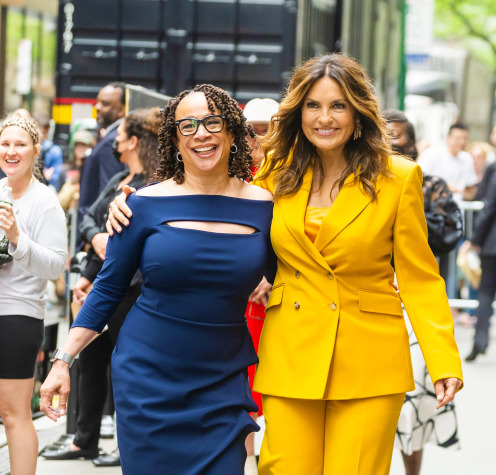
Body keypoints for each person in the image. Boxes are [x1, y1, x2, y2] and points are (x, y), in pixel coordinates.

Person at [105, 55, 463, 475]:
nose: (324, 118)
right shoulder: (274, 174)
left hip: (371, 359)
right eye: (313, 105)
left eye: (338, 105)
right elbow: (211, 194)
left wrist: (443, 360)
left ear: (358, 112)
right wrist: (132, 201)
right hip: (292, 352)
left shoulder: (398, 178)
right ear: (297, 111)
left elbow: (420, 278)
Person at [40, 84, 274, 474]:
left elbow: (291, 279)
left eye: (213, 122)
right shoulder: (140, 205)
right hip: (149, 378)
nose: (201, 133)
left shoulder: (265, 207)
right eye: (188, 126)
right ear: (174, 140)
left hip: (223, 381)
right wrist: (63, 360)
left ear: (232, 132)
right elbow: (109, 288)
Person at [41, 108, 163, 467]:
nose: (114, 142)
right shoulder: (123, 179)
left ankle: (125, 446)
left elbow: (121, 241)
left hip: (132, 290)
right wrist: (95, 242)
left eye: (120, 136)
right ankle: (85, 439)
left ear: (135, 141)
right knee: (89, 362)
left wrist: (99, 243)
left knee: (123, 368)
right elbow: (92, 216)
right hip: (103, 282)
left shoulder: (151, 187)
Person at [384, 110, 460, 475]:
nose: (392, 146)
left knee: (414, 401)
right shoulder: (359, 184)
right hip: (377, 307)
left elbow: (448, 235)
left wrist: (407, 210)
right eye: (385, 138)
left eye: (399, 139)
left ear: (413, 145)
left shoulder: (427, 184)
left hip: (416, 311)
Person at [0, 114, 67, 475]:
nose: (11, 151)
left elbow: (57, 266)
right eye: (5, 144)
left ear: (35, 151)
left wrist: (16, 239)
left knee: (13, 413)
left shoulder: (45, 201)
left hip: (17, 315)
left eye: (19, 144)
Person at [242, 97, 279, 474]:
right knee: (244, 384)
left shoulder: (293, 172)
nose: (258, 137)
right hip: (240, 300)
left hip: (282, 297)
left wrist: (271, 275)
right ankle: (247, 459)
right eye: (251, 128)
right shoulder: (232, 170)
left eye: (267, 128)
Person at [76, 82, 126, 248]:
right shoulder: (110, 137)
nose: (97, 107)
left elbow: (108, 193)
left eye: (105, 104)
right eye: (98, 101)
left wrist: (93, 237)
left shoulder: (112, 142)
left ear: (122, 110)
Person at [464, 170, 496, 361]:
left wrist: (475, 240)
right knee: (485, 294)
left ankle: (480, 340)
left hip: (494, 245)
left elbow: (488, 210)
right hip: (493, 246)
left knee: (485, 293)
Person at [418, 122, 477, 201]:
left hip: (455, 209)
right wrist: (443, 187)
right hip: (431, 207)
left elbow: (471, 190)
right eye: (458, 138)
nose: (462, 142)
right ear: (448, 137)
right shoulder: (431, 154)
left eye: (465, 138)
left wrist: (460, 191)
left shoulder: (467, 158)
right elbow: (419, 180)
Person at [34, 114, 64, 190]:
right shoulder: (26, 148)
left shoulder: (54, 150)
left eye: (43, 133)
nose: (40, 136)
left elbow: (56, 177)